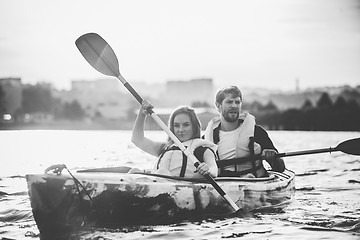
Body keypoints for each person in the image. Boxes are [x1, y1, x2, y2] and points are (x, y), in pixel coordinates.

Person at [204, 86, 285, 178]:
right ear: (218, 106)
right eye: (229, 102)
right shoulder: (206, 140)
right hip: (224, 184)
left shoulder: (257, 132)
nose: (234, 106)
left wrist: (273, 158)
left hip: (255, 182)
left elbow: (280, 168)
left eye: (237, 102)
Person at [131, 100, 218, 178]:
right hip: (158, 183)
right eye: (176, 125)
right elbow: (137, 139)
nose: (180, 130)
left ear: (194, 127)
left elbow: (214, 169)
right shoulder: (164, 147)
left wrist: (208, 170)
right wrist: (142, 114)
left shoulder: (202, 150)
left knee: (162, 172)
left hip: (182, 189)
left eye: (186, 125)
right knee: (134, 171)